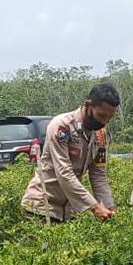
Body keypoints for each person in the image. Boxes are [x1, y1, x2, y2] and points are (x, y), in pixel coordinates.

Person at [21, 84, 119, 222]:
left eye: (109, 118)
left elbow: (98, 175)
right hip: (41, 208)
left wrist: (109, 207)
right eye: (101, 116)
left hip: (68, 211)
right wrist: (95, 207)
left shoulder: (100, 134)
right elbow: (64, 173)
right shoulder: (62, 126)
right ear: (88, 105)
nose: (104, 122)